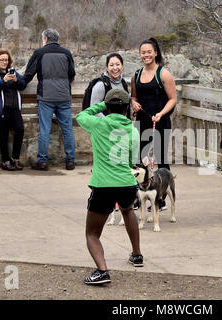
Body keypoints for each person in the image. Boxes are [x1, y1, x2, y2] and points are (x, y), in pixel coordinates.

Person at [76, 89, 143, 285]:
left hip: (103, 185)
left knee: (92, 233)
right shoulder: (133, 130)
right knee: (128, 210)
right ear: (126, 108)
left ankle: (102, 271)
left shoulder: (98, 124)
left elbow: (81, 115)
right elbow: (132, 160)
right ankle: (137, 255)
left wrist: (102, 105)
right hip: (126, 183)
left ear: (107, 107)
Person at [131, 37, 177, 210]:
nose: (146, 55)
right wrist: (133, 102)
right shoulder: (136, 75)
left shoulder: (163, 74)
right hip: (141, 121)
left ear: (156, 53)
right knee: (139, 159)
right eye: (143, 53)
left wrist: (161, 113)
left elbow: (173, 99)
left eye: (149, 52)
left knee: (161, 160)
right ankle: (140, 196)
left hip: (160, 121)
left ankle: (161, 198)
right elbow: (134, 97)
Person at [23, 28, 76, 171]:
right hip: (64, 96)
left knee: (44, 130)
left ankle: (42, 162)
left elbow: (28, 74)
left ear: (45, 38)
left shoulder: (39, 53)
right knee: (67, 130)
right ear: (57, 39)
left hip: (46, 96)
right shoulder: (66, 53)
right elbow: (72, 74)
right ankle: (70, 161)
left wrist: (18, 84)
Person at [0, 49, 26, 171]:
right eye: (2, 60)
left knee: (20, 129)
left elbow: (23, 85)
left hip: (14, 108)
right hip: (1, 109)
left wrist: (16, 80)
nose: (4, 62)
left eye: (6, 60)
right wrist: (4, 81)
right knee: (4, 135)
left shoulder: (12, 72)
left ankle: (15, 159)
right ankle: (5, 161)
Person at [89, 52, 129, 117]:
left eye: (117, 64)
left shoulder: (123, 83)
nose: (115, 68)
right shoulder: (101, 85)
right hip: (105, 125)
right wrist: (110, 124)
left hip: (122, 125)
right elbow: (94, 110)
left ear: (122, 66)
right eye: (111, 65)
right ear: (107, 67)